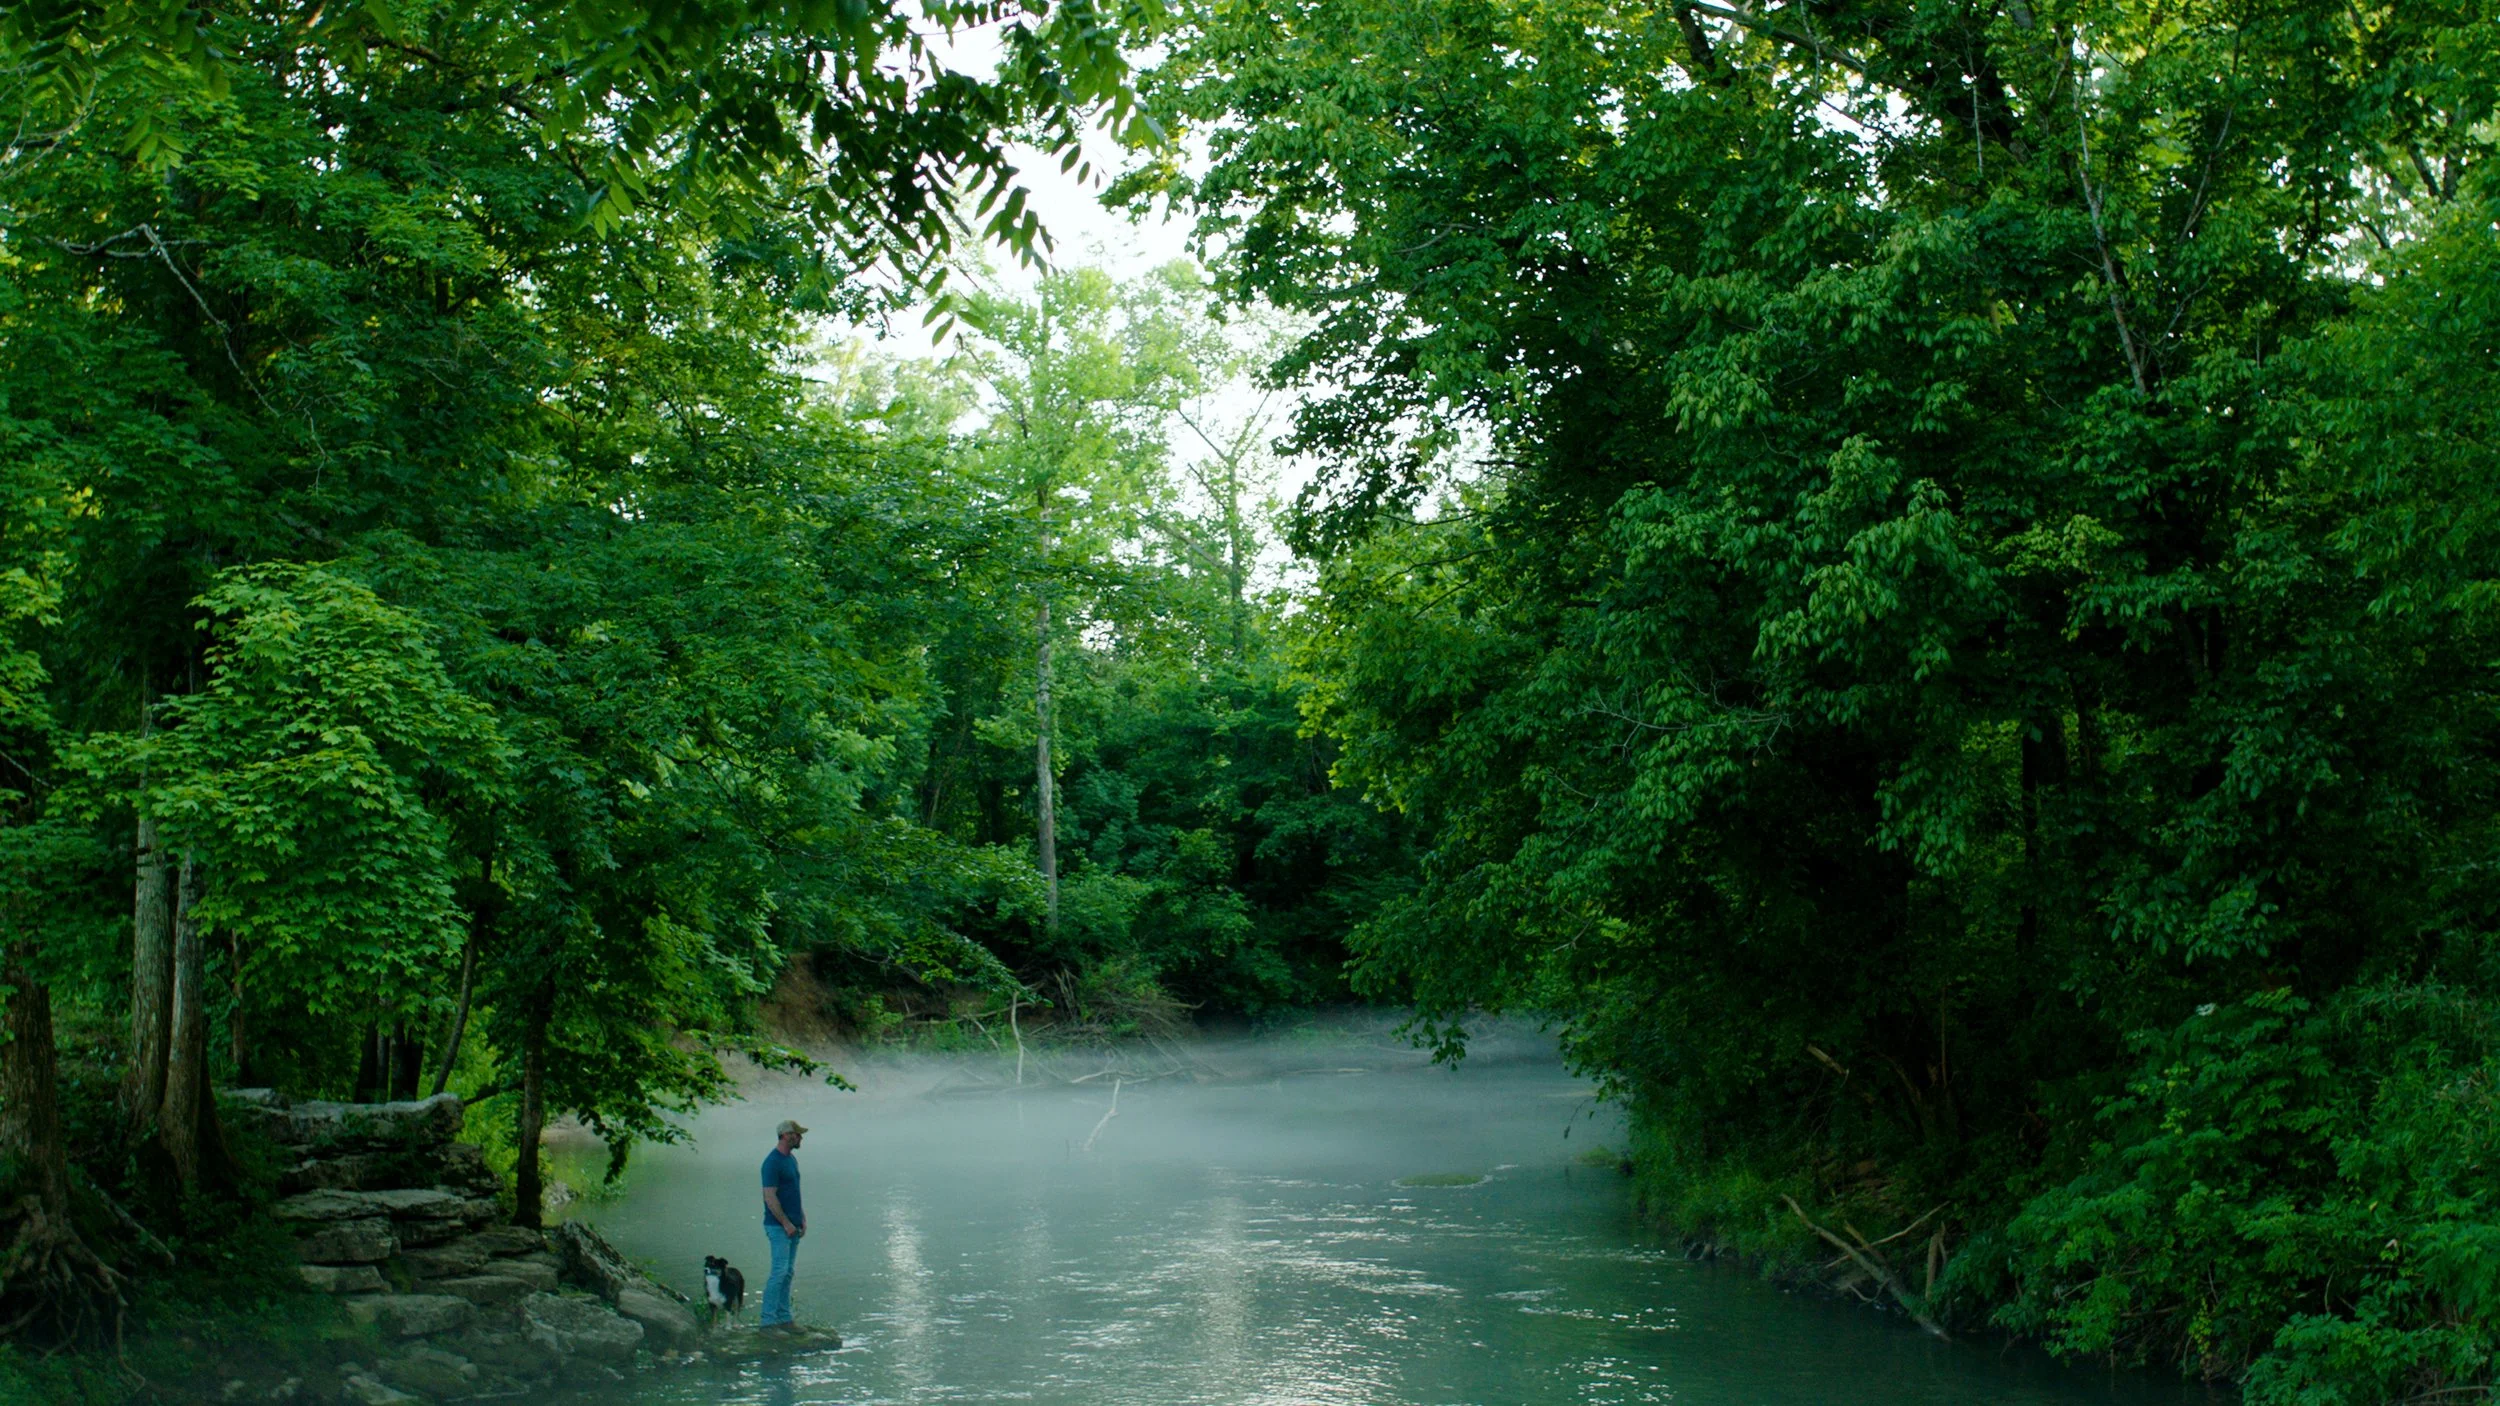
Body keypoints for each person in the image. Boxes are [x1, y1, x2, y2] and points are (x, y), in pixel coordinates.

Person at [759, 1118, 807, 1332]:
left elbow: (794, 1191)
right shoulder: (772, 1162)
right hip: (778, 1227)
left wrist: (801, 1218)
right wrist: (786, 1223)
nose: (800, 1138)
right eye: (797, 1134)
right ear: (787, 1135)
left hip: (793, 1225)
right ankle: (768, 1322)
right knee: (779, 1271)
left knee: (788, 1272)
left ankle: (784, 1317)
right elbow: (770, 1197)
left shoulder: (792, 1160)